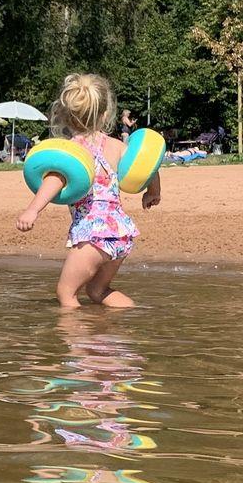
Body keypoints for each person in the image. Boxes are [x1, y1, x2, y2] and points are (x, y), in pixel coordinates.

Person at [16, 72, 161, 310]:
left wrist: (33, 210)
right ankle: (132, 318)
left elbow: (54, 179)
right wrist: (153, 192)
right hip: (120, 233)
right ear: (105, 114)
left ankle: (76, 335)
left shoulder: (71, 153)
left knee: (66, 293)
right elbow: (147, 167)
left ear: (65, 116)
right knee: (97, 290)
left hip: (93, 234)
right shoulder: (117, 146)